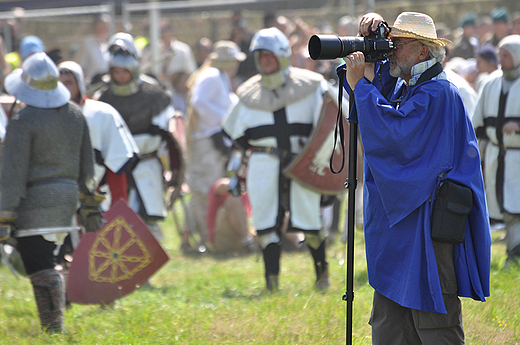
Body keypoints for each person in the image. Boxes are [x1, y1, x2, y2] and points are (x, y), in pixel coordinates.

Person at [342, 12, 491, 343]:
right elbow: (382, 100)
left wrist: (361, 90)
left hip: (426, 228)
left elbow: (396, 138)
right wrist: (371, 48)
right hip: (404, 227)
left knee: (434, 325)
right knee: (391, 326)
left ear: (423, 51)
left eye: (398, 44)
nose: (391, 51)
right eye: (390, 43)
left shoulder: (437, 94)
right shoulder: (411, 87)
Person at [222, 27, 334, 291]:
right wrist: (234, 173)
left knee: (310, 220)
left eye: (270, 55)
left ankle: (322, 277)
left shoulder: (311, 84)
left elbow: (334, 118)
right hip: (263, 163)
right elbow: (238, 141)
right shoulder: (247, 94)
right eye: (261, 56)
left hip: (303, 162)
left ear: (282, 55)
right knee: (264, 223)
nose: (266, 60)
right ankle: (271, 283)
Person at [0, 52, 96, 332]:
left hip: (34, 203)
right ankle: (51, 326)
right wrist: (89, 204)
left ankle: (54, 328)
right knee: (42, 261)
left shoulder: (23, 120)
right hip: (66, 203)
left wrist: (4, 214)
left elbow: (13, 173)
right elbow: (87, 167)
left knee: (38, 264)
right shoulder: (76, 114)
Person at [98, 32, 175, 242]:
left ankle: (149, 269)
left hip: (147, 163)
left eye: (125, 71)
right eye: (117, 71)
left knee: (149, 220)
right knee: (121, 217)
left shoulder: (153, 95)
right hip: (117, 167)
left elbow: (167, 129)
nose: (121, 76)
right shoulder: (104, 98)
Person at [182, 40, 245, 252]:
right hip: (206, 142)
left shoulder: (218, 76)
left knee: (206, 190)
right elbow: (200, 103)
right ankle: (200, 240)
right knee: (202, 191)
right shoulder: (211, 76)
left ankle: (195, 237)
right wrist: (224, 120)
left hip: (212, 142)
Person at [472, 35, 520, 268]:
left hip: (517, 157)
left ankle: (515, 254)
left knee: (516, 207)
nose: (501, 59)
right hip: (496, 156)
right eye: (500, 54)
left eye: (506, 54)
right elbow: (478, 123)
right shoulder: (491, 83)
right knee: (504, 208)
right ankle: (513, 253)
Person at [206, 177, 257, 254]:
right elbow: (222, 186)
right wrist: (236, 183)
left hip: (244, 233)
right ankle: (247, 242)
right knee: (234, 199)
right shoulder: (226, 183)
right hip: (222, 238)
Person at [74, 15, 110, 85]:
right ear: (96, 28)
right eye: (104, 27)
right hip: (91, 85)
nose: (107, 30)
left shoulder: (105, 46)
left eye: (107, 27)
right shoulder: (87, 43)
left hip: (104, 84)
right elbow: (80, 66)